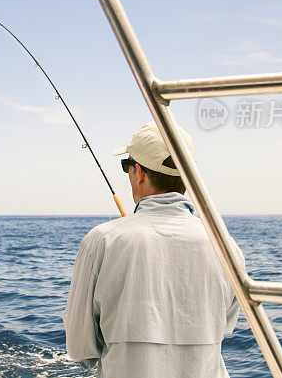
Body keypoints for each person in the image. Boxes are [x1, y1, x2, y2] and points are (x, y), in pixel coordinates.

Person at [63, 121, 245, 378]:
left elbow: (80, 349)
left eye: (127, 167)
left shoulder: (101, 241)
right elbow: (224, 329)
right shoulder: (228, 247)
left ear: (139, 173)